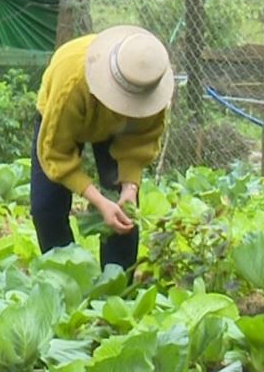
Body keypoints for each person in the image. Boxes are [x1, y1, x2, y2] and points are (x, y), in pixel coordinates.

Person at [31, 25, 172, 272]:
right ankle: (65, 276)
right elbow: (56, 153)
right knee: (46, 207)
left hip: (117, 130)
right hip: (65, 115)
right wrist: (97, 200)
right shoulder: (71, 84)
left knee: (125, 211)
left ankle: (117, 284)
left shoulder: (149, 80)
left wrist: (129, 188)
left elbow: (140, 140)